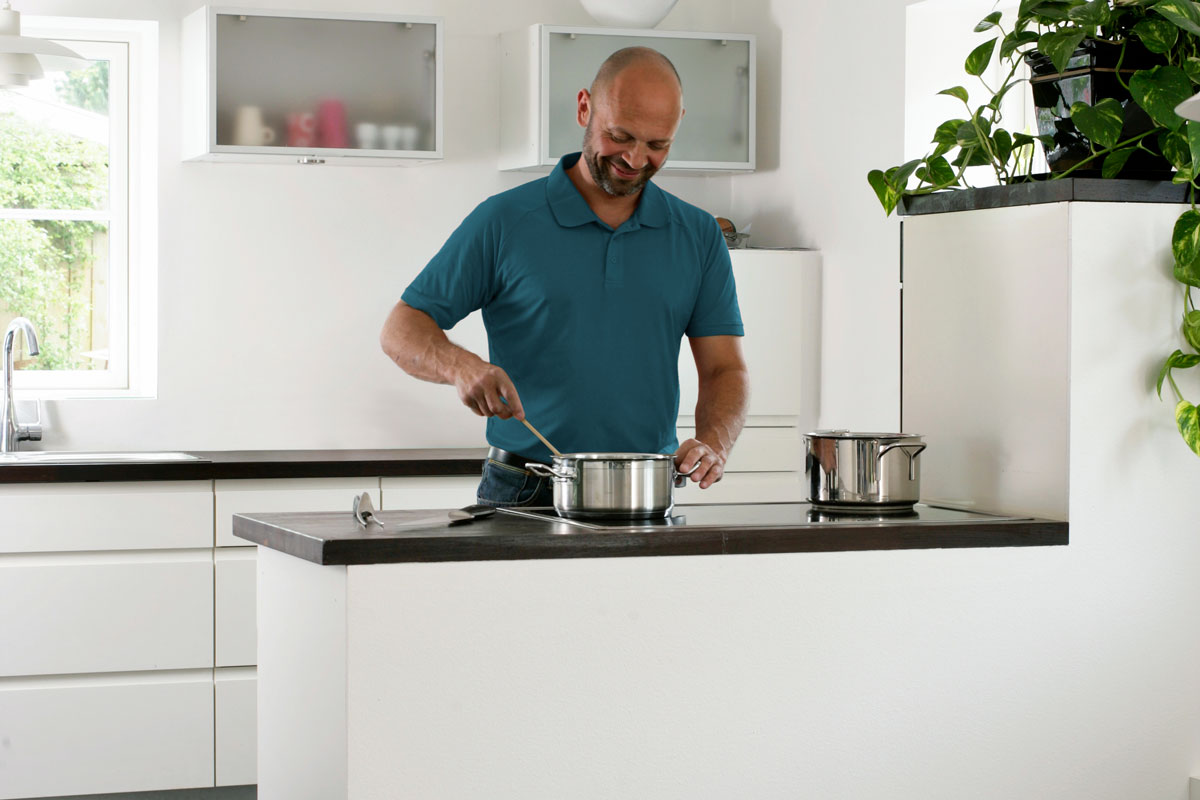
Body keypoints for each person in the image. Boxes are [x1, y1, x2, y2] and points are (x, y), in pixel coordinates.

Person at [380, 46, 749, 507]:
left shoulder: (698, 234)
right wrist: (461, 367)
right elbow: (401, 329)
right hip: (525, 489)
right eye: (620, 136)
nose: (636, 159)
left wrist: (715, 443)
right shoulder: (504, 221)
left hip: (645, 490)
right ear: (583, 108)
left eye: (658, 145)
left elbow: (724, 369)